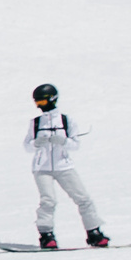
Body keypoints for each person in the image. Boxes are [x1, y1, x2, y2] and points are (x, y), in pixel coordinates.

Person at [24, 83, 108, 249]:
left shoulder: (66, 120)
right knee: (48, 201)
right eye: (37, 104)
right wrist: (36, 144)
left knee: (83, 198)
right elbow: (27, 146)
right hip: (42, 168)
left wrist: (63, 142)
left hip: (64, 166)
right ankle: (46, 235)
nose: (40, 107)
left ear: (52, 100)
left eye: (42, 102)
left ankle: (94, 233)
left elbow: (75, 145)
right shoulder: (35, 123)